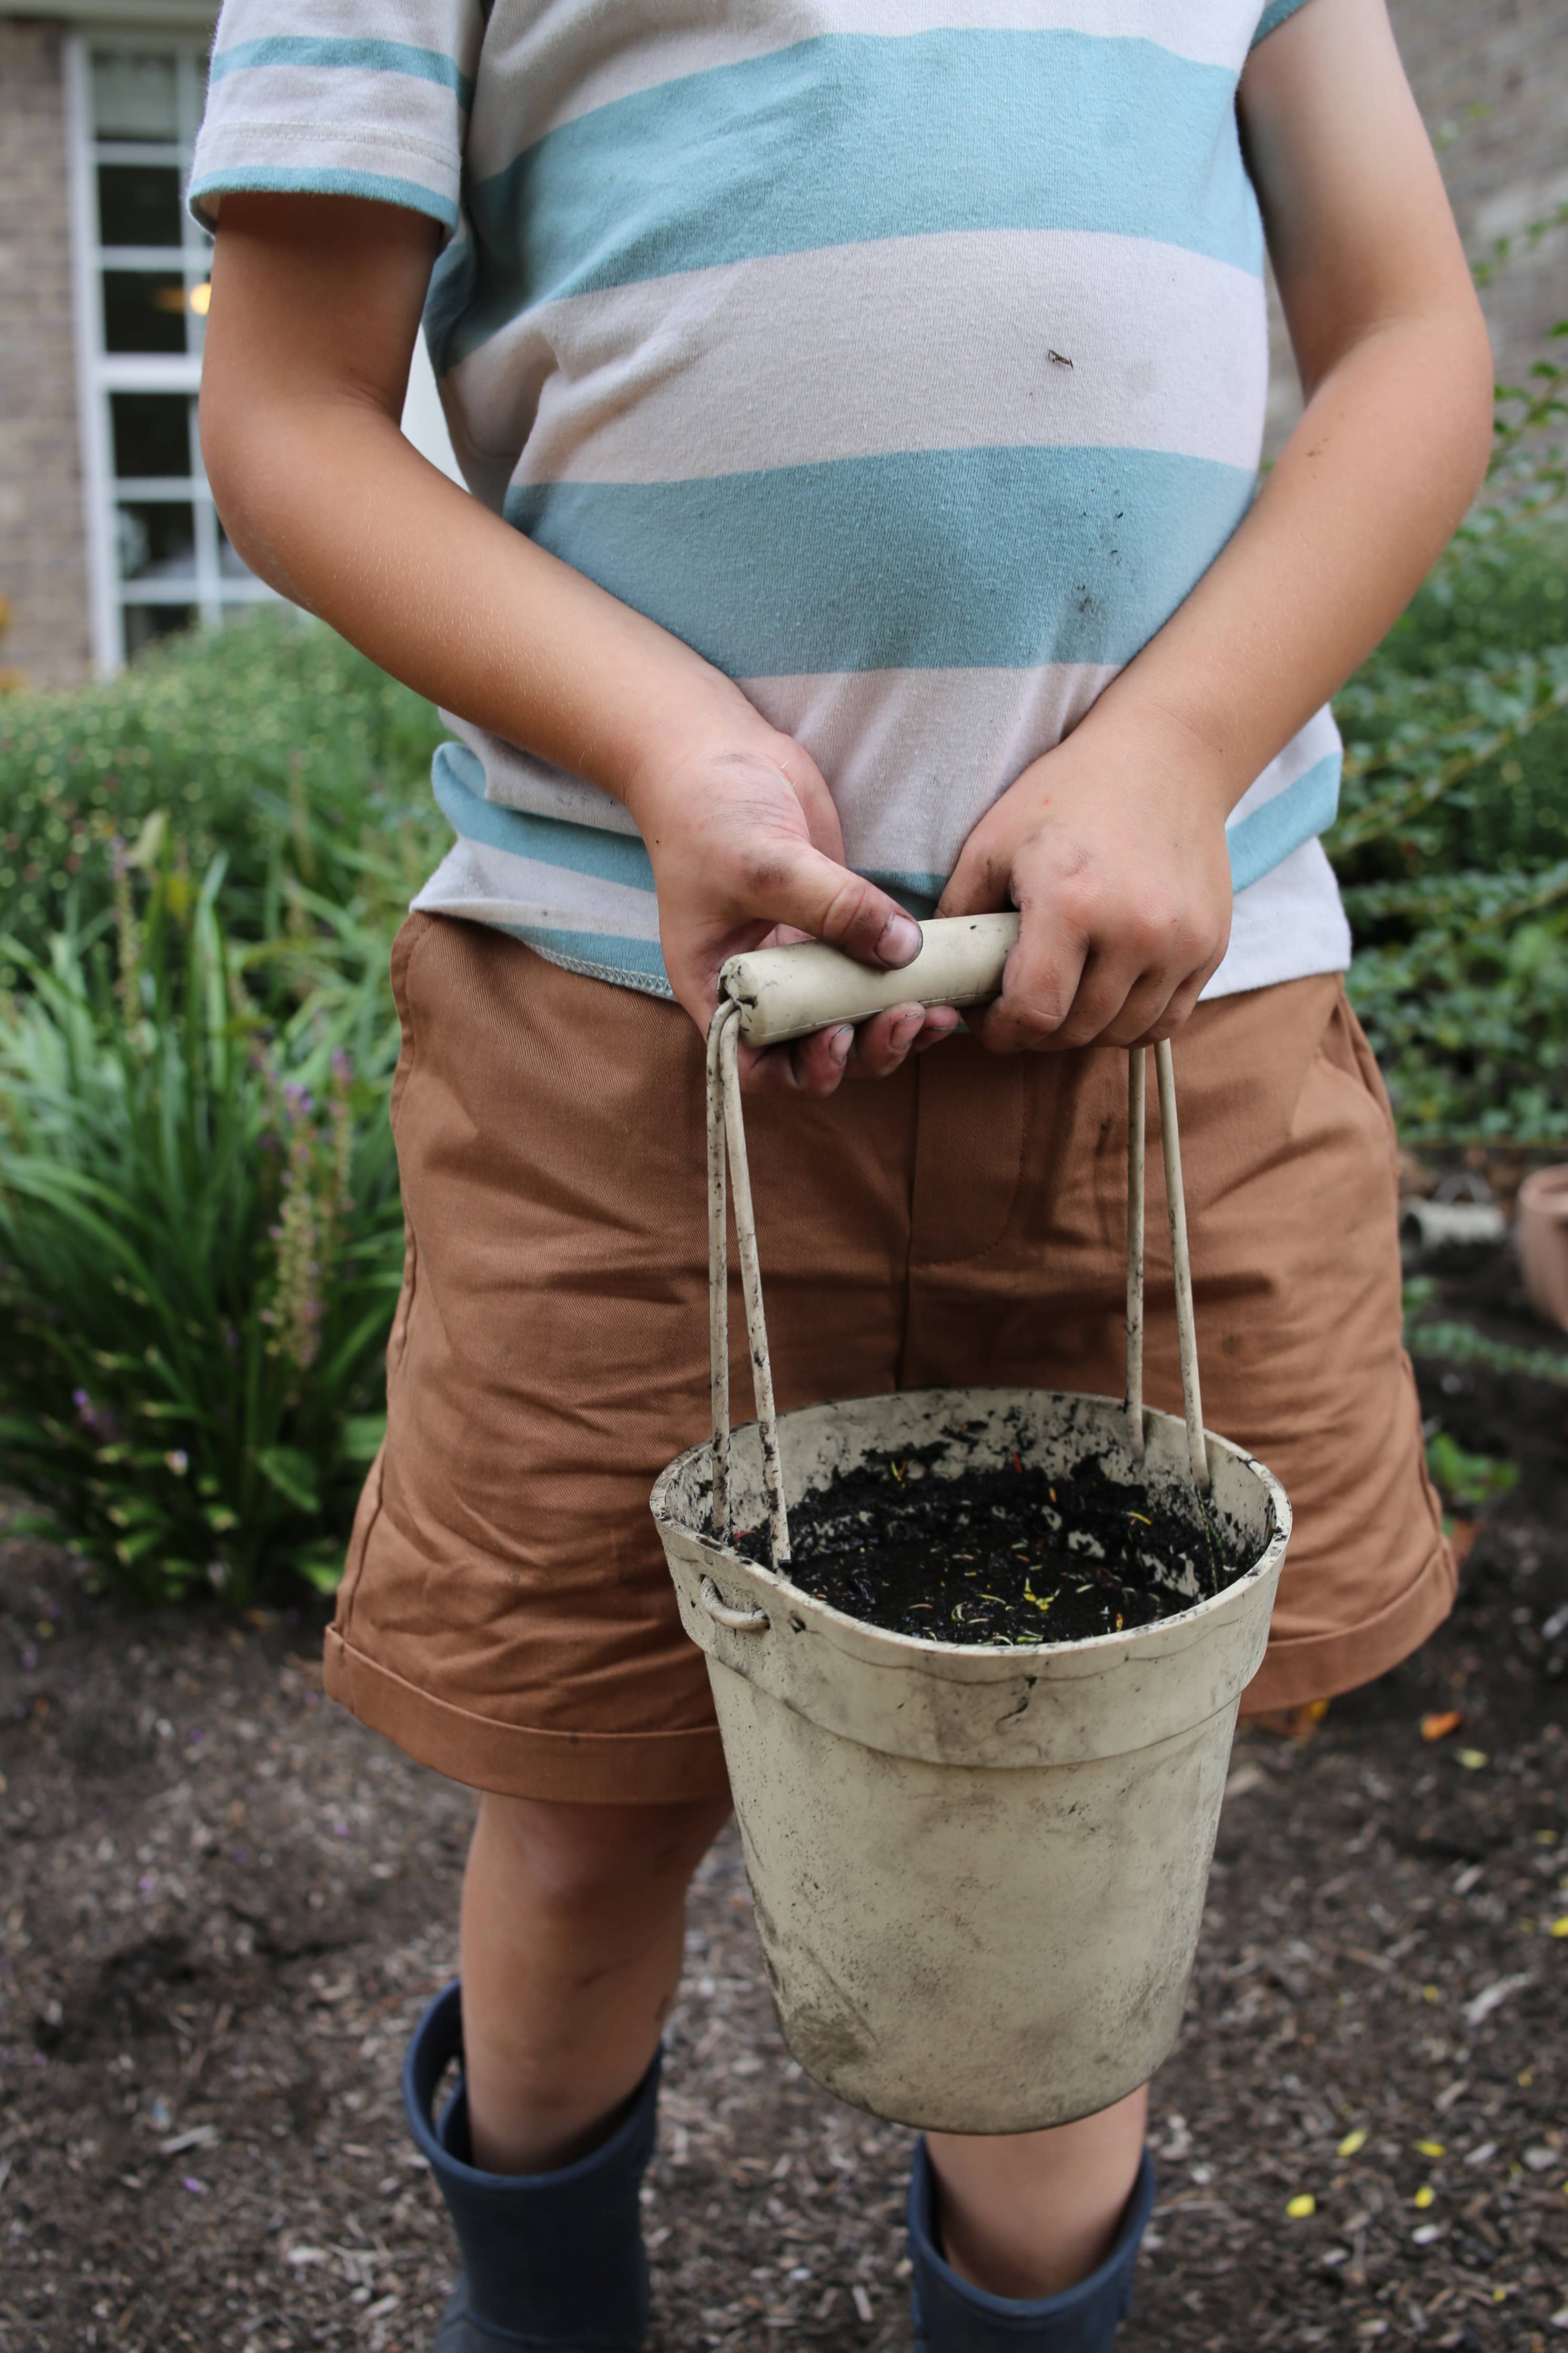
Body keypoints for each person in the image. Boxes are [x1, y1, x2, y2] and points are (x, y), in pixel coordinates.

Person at [192, 1, 1491, 2345]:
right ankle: (547, 2304)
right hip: (620, 1036)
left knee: (1055, 1807)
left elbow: (1406, 340)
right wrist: (667, 738)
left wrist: (1180, 743)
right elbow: (291, 417)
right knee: (589, 1786)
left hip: (1163, 1040)